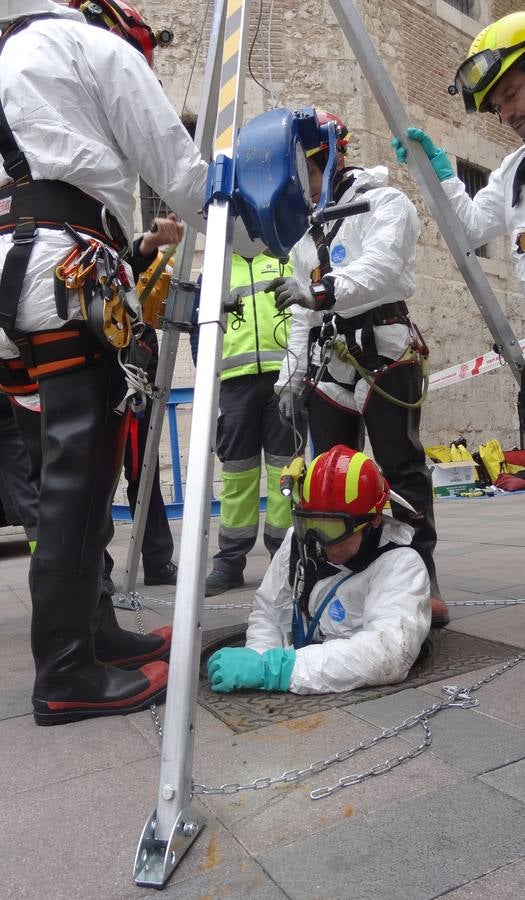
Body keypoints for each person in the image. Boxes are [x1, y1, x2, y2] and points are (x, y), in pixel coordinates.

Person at [0, 0, 259, 725]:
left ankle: (95, 635)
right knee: (78, 485)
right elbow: (177, 168)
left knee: (56, 477)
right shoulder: (86, 46)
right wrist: (248, 238)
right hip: (62, 268)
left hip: (11, 285)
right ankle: (65, 673)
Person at [265, 110, 448, 629]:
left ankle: (421, 576)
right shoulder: (306, 233)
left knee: (402, 469)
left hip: (385, 348)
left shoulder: (385, 203)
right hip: (331, 358)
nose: (301, 188)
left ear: (330, 158)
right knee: (328, 477)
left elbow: (382, 268)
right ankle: (335, 574)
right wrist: (290, 374)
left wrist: (321, 291)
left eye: (307, 175)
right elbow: (300, 311)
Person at [391, 11, 525, 450]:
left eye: (511, 94)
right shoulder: (512, 173)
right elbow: (467, 231)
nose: (507, 114)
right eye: (498, 106)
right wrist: (435, 174)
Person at [207, 445, 430, 695]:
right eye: (311, 523)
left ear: (374, 519)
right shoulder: (296, 541)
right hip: (298, 673)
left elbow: (389, 652)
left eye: (334, 528)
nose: (323, 541)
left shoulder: (400, 565)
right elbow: (267, 609)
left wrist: (279, 670)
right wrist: (260, 659)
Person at [201, 252, 308, 596]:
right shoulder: (216, 264)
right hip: (233, 383)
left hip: (285, 379)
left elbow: (308, 315)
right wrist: (208, 381)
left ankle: (286, 557)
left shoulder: (286, 258)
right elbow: (196, 328)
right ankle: (229, 563)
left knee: (285, 473)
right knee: (236, 475)